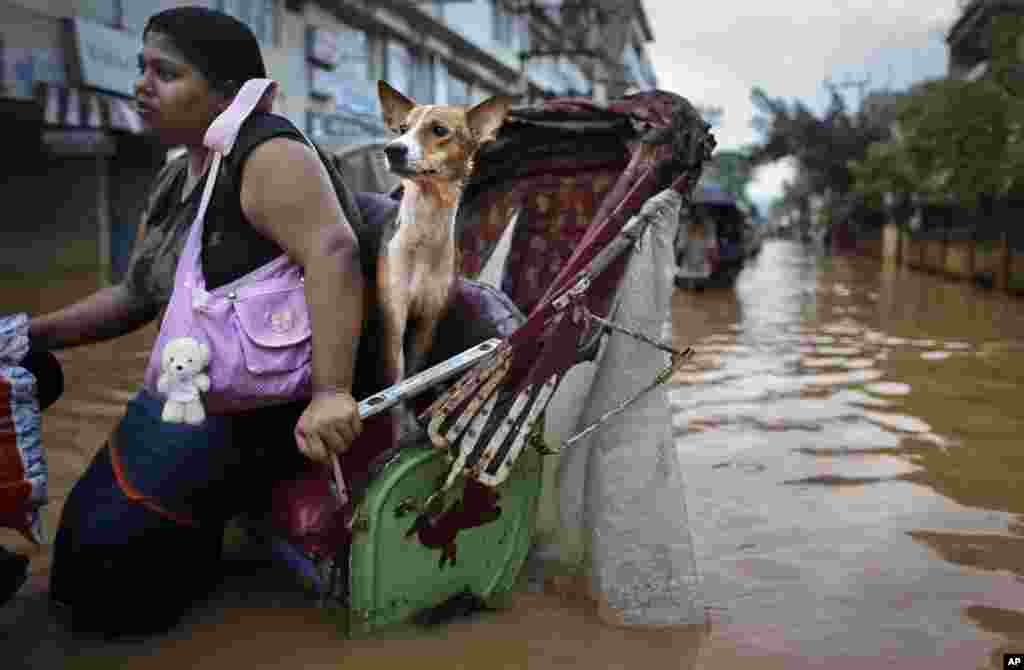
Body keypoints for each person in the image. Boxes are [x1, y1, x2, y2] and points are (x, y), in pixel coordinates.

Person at [24, 7, 380, 636]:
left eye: (166, 72)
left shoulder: (269, 154)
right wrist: (29, 335)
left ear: (224, 91)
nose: (141, 84)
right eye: (141, 68)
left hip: (266, 403)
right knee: (81, 562)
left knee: (109, 574)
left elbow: (335, 253)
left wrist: (331, 393)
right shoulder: (179, 172)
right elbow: (138, 294)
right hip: (192, 388)